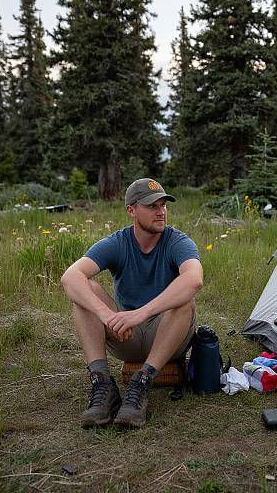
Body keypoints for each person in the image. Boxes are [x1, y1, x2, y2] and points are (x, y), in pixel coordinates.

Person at [61, 178, 203, 428]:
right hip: (126, 335)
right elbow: (70, 277)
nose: (160, 211)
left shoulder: (177, 241)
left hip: (168, 337)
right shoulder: (118, 242)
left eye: (163, 205)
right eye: (151, 206)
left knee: (185, 300)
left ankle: (142, 383)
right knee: (86, 292)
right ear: (131, 210)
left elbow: (194, 279)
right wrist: (106, 314)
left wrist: (142, 312)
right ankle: (102, 384)